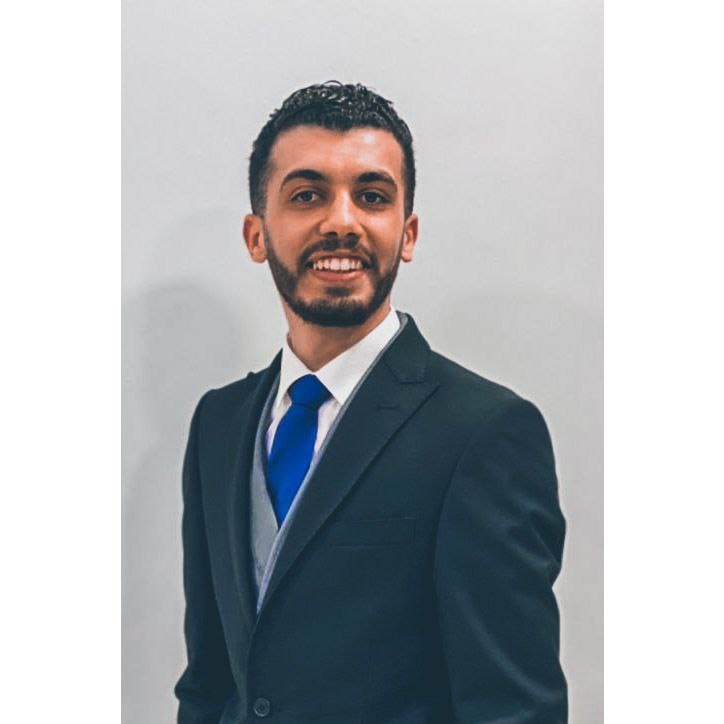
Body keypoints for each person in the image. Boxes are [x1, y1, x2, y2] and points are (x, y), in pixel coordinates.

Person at [174, 81, 567, 724]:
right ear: (256, 234)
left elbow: (513, 709)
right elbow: (209, 683)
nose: (342, 221)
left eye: (372, 196)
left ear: (406, 233)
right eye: (307, 195)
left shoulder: (484, 433)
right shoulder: (219, 422)